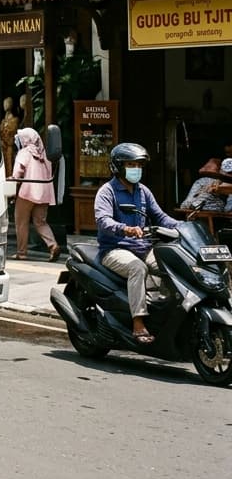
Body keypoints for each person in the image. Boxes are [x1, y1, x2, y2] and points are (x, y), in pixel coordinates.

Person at [94, 141, 179, 344]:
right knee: (138, 268)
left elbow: (161, 216)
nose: (136, 169)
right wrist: (125, 228)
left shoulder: (143, 191)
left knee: (170, 265)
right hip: (114, 249)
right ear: (118, 166)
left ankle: (164, 313)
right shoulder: (107, 191)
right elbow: (103, 220)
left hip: (143, 247)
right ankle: (138, 322)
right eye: (131, 165)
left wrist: (183, 226)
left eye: (139, 165)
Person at [12, 127, 61, 261]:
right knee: (40, 222)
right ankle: (53, 245)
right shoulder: (45, 153)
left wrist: (13, 181)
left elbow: (17, 172)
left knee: (21, 222)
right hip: (44, 192)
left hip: (28, 191)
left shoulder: (24, 152)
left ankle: (21, 252)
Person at [0, 97, 20, 176]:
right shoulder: (3, 120)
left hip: (9, 147)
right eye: (4, 103)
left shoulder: (15, 120)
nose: (5, 105)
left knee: (10, 165)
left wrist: (5, 140)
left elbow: (12, 133)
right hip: (2, 147)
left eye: (7, 103)